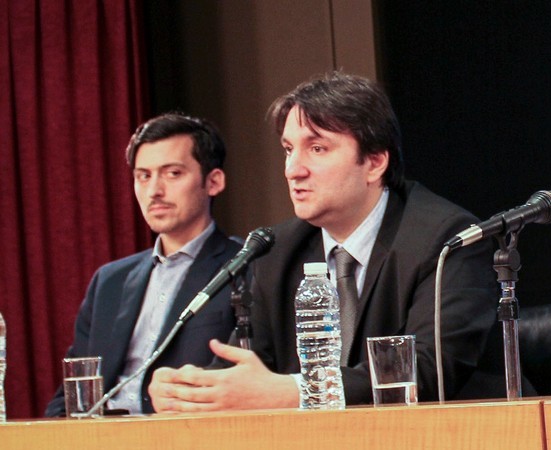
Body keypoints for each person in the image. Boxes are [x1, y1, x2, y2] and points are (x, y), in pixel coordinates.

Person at [148, 72, 497, 412]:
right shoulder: (277, 250)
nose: (293, 169)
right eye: (288, 149)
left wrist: (297, 391)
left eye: (317, 148)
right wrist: (189, 392)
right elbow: (248, 374)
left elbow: (429, 369)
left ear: (374, 162)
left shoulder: (446, 238)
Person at [45, 113, 242, 416]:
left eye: (173, 173)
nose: (154, 191)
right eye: (143, 176)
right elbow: (71, 396)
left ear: (213, 181)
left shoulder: (244, 267)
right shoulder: (109, 281)